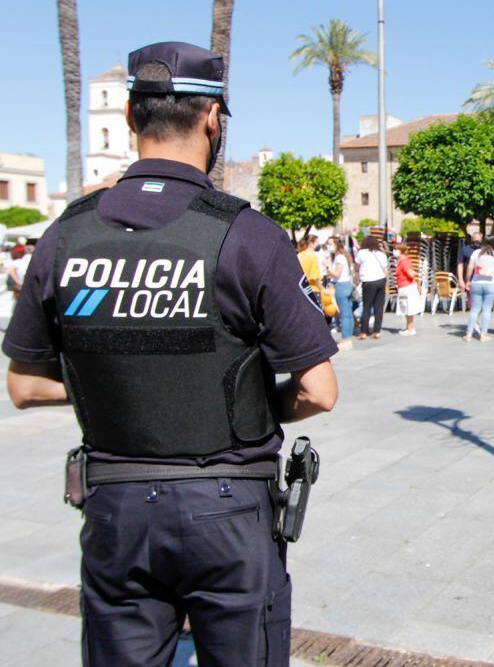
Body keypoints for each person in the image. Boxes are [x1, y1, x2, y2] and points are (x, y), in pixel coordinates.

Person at [2, 42, 339, 666]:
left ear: (131, 117)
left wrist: (125, 387)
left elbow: (23, 386)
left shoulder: (66, 234)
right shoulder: (246, 233)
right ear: (213, 119)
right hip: (228, 508)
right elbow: (320, 390)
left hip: (117, 507)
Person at [464, 240, 494, 342]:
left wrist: (468, 280)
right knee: (486, 310)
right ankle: (483, 335)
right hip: (491, 284)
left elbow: (470, 268)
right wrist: (492, 273)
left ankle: (468, 334)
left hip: (476, 283)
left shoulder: (476, 253)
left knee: (475, 309)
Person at [355, 235, 389, 340]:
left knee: (367, 306)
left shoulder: (362, 253)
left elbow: (357, 266)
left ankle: (364, 332)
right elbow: (386, 269)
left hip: (368, 281)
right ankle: (376, 331)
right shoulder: (380, 254)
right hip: (380, 280)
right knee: (379, 307)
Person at [327, 236, 355, 343]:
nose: (329, 247)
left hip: (340, 285)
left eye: (330, 244)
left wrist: (328, 268)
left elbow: (337, 274)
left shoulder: (339, 258)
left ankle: (345, 338)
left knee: (344, 314)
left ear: (336, 245)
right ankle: (349, 335)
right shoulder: (344, 256)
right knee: (348, 312)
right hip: (347, 284)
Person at [394, 243, 422, 336]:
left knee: (408, 307)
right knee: (405, 308)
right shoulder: (401, 260)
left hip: (406, 287)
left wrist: (412, 273)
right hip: (403, 286)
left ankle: (410, 329)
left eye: (396, 249)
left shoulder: (404, 261)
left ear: (401, 251)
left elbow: (410, 272)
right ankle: (409, 326)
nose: (394, 251)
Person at [456, 231, 482, 305]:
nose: (477, 241)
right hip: (469, 279)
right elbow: (460, 265)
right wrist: (461, 280)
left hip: (482, 278)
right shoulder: (465, 250)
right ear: (471, 239)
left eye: (478, 239)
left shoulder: (484, 250)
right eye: (475, 239)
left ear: (481, 239)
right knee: (472, 303)